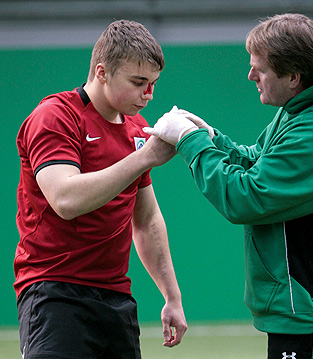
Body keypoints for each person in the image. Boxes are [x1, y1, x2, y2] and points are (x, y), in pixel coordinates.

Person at [143, 13, 313, 359]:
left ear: (294, 77)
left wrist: (190, 142)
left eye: (261, 69)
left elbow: (245, 197)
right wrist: (212, 138)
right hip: (310, 316)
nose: (251, 75)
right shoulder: (304, 109)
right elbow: (260, 160)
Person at [15, 19, 187, 359]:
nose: (149, 94)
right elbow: (65, 198)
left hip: (116, 299)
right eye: (139, 82)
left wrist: (172, 297)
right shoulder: (56, 116)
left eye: (153, 83)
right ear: (102, 71)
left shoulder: (138, 128)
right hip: (54, 292)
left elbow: (147, 218)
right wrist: (144, 158)